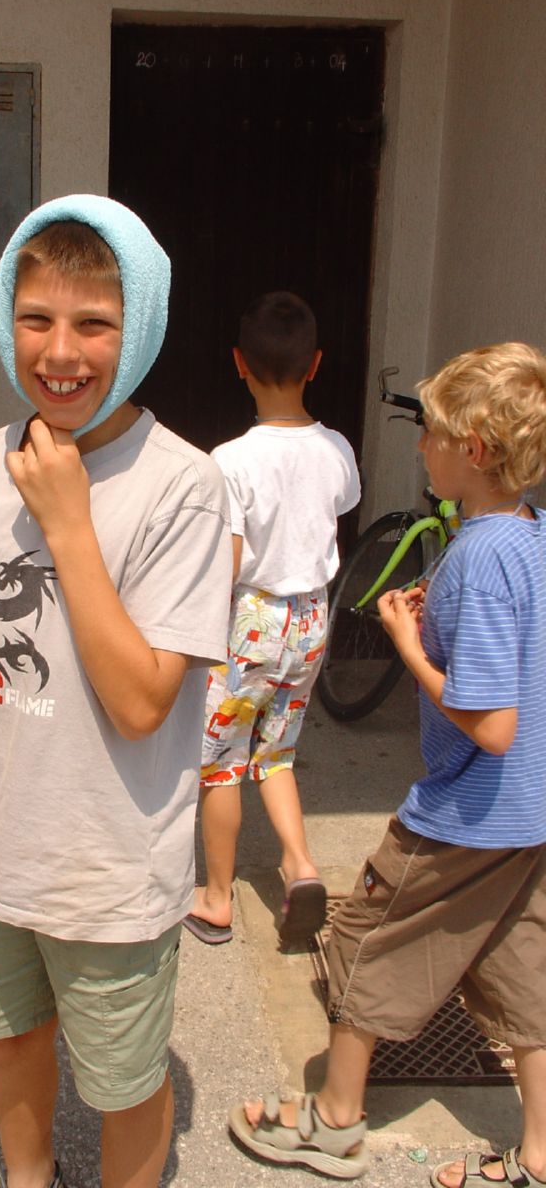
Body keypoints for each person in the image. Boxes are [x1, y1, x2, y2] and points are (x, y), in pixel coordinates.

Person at [0, 194, 234, 1188]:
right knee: (9, 1038)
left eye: (95, 323)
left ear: (141, 329)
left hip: (109, 869)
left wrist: (68, 522)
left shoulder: (184, 486)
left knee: (123, 1081)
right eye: (36, 317)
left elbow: (142, 703)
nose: (61, 351)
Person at [229, 342, 546, 1188]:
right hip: (529, 809)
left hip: (465, 812)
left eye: (430, 433)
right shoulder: (529, 534)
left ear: (473, 449)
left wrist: (407, 643)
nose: (419, 446)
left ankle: (334, 1123)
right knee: (518, 962)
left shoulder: (478, 558)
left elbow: (492, 724)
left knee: (366, 937)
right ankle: (540, 1154)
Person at [185, 292, 360, 946]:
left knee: (222, 763)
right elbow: (336, 509)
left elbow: (226, 563)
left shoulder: (230, 459)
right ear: (315, 364)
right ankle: (300, 865)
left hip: (250, 621)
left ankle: (216, 898)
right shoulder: (336, 448)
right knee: (277, 754)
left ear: (239, 363)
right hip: (311, 618)